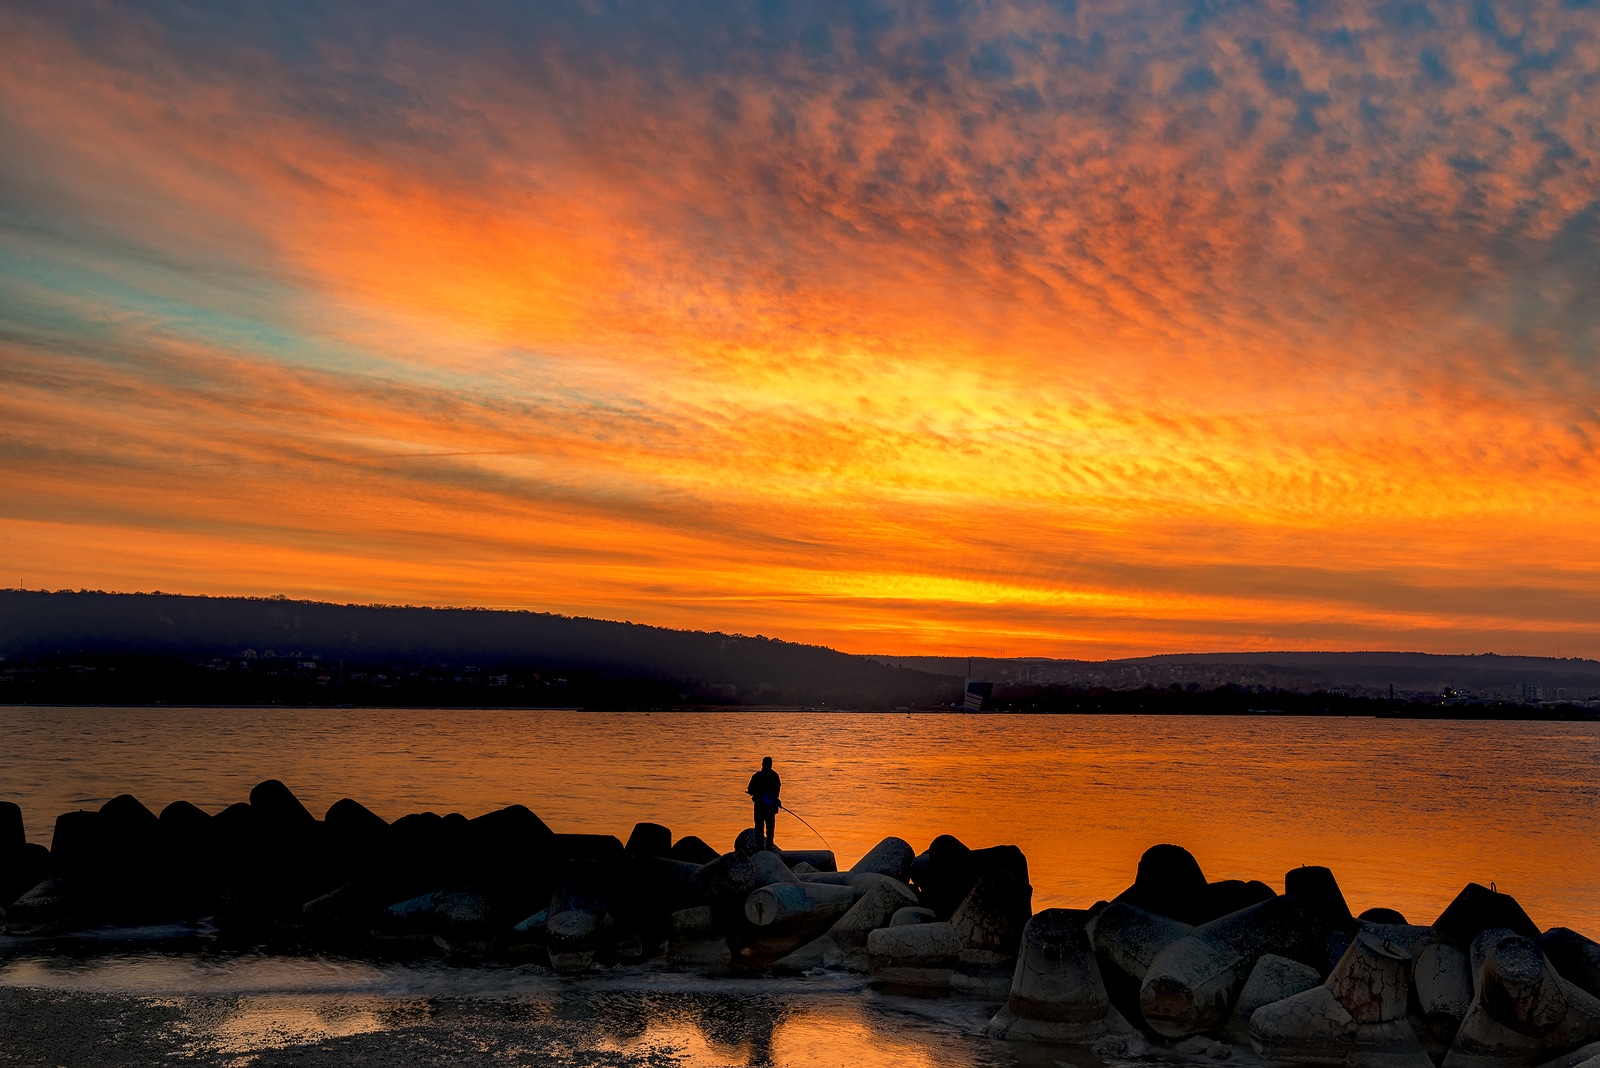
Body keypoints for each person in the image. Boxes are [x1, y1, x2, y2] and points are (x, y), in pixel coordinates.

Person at [746, 756, 781, 849]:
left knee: (759, 828)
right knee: (770, 829)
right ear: (771, 764)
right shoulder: (774, 776)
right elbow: (777, 791)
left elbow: (750, 789)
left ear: (762, 764)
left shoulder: (757, 776)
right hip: (770, 807)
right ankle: (769, 846)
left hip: (760, 807)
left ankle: (760, 848)